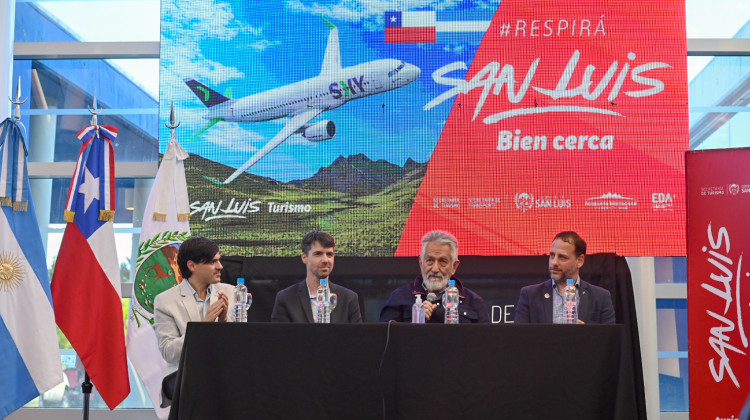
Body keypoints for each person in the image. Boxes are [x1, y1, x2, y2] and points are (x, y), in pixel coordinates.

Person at [153, 237, 235, 375]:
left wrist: (223, 322)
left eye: (219, 260)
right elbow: (169, 353)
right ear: (192, 266)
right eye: (212, 262)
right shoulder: (165, 301)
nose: (220, 266)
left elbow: (241, 345)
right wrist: (202, 327)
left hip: (226, 376)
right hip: (186, 380)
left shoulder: (232, 293)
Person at [380, 230, 489, 323]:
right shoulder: (399, 297)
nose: (435, 269)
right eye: (430, 261)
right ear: (421, 263)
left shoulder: (474, 302)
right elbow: (384, 341)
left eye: (443, 261)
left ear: (454, 267)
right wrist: (414, 323)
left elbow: (486, 343)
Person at [514, 231, 615, 324]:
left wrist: (586, 333)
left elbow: (610, 340)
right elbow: (520, 338)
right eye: (552, 255)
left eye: (562, 257)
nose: (554, 262)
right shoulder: (530, 295)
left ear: (580, 261)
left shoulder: (600, 297)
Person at [270, 231, 362, 323]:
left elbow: (358, 336)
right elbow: (278, 336)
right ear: (304, 257)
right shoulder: (286, 298)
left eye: (329, 254)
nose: (325, 260)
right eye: (318, 254)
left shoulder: (349, 298)